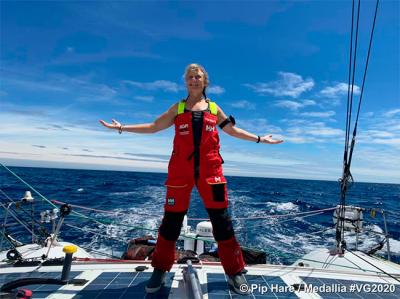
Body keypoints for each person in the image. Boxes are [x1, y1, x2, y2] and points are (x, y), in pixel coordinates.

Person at [100, 63, 283, 295]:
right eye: (190, 77)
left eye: (197, 77)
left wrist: (259, 139)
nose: (194, 80)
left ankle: (235, 271)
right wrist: (122, 128)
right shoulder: (177, 108)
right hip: (180, 173)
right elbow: (154, 126)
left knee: (223, 224)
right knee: (170, 224)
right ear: (185, 81)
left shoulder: (215, 109)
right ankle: (160, 269)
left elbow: (233, 131)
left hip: (211, 174)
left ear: (205, 81)